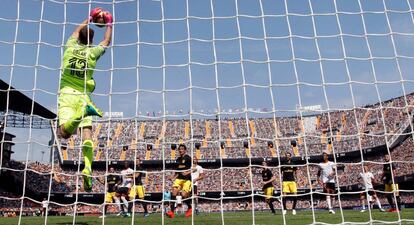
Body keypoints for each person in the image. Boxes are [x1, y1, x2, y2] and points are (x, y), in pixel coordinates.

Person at [57, 7, 112, 192]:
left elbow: (75, 31)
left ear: (78, 37)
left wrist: (89, 18)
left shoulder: (70, 46)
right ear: (91, 41)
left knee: (64, 133)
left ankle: (82, 113)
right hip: (83, 96)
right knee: (87, 136)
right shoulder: (92, 53)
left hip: (66, 94)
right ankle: (87, 167)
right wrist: (109, 23)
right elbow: (106, 41)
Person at [166, 144, 192, 218]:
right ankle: (171, 212)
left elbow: (194, 168)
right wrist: (172, 176)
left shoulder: (188, 158)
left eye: (182, 149)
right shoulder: (177, 160)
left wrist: (187, 172)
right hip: (179, 179)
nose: (180, 150)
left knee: (184, 195)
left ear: (185, 150)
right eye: (179, 149)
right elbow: (177, 171)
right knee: (174, 193)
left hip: (187, 179)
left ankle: (190, 208)